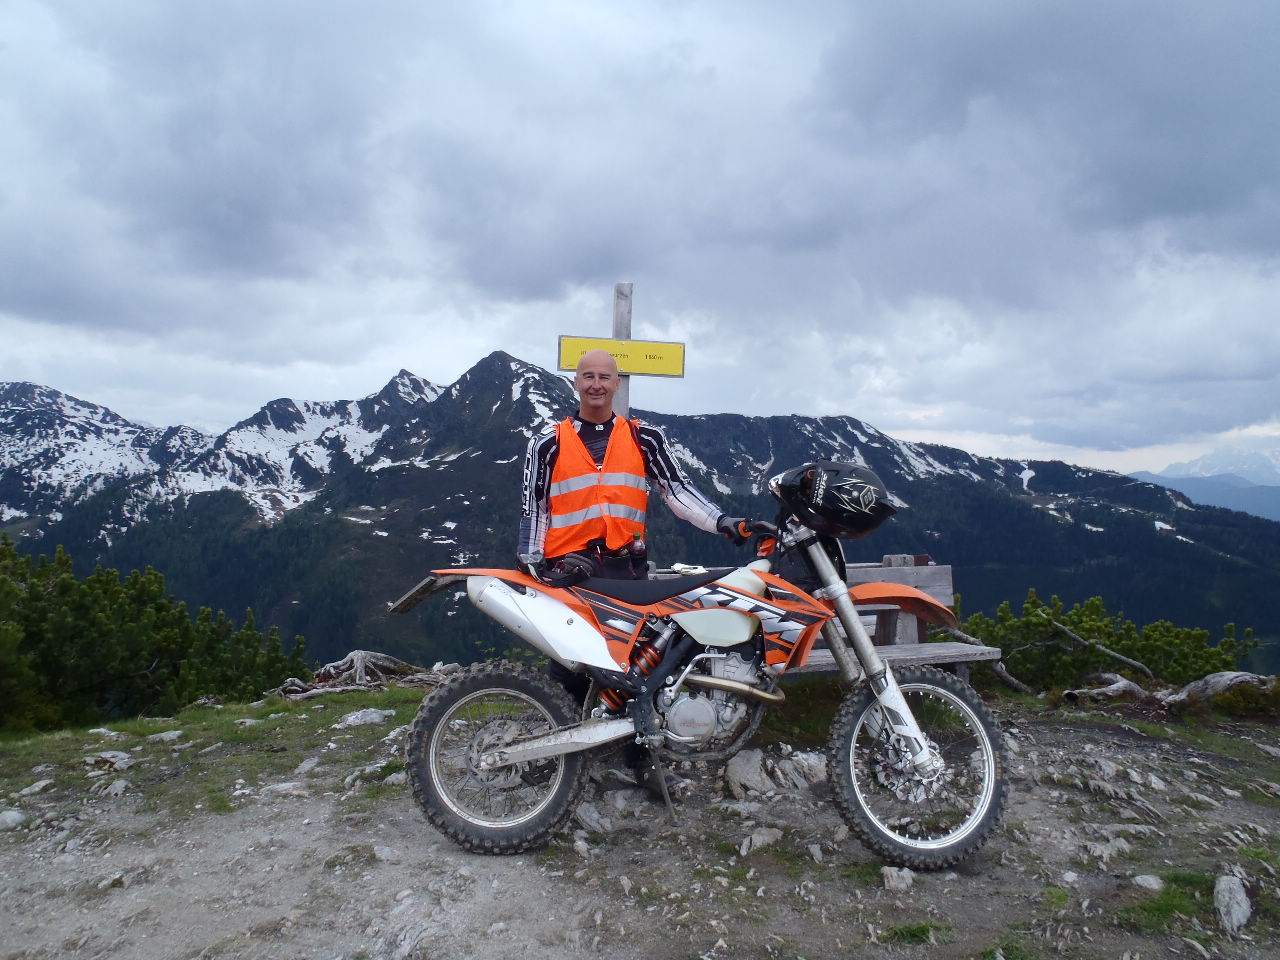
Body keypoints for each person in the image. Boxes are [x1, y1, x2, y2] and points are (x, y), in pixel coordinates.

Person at [516, 349, 750, 796]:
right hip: (570, 571)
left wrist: (724, 523)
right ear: (576, 382)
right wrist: (531, 561)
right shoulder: (547, 442)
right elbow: (534, 508)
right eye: (588, 376)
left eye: (604, 377)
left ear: (616, 383)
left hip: (625, 568)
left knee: (638, 667)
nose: (596, 384)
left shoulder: (644, 438)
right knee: (568, 665)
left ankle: (640, 760)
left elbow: (678, 492)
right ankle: (561, 758)